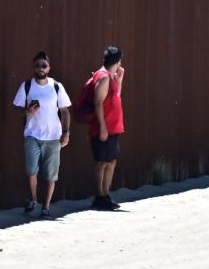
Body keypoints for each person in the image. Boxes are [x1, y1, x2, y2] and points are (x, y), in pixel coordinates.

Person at [11, 51, 71, 218]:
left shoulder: (56, 86)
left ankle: (46, 207)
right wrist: (27, 110)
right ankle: (33, 198)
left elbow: (65, 111)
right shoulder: (27, 86)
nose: (41, 68)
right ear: (33, 67)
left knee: (51, 174)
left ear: (49, 68)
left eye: (44, 65)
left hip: (53, 136)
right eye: (37, 65)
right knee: (31, 170)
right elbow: (16, 109)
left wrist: (66, 132)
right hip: (32, 134)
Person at [85, 46, 126, 211]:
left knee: (111, 161)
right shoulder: (103, 78)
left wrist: (119, 81)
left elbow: (114, 97)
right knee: (101, 162)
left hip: (113, 127)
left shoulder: (110, 77)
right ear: (117, 61)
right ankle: (100, 196)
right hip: (104, 128)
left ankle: (106, 195)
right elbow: (97, 102)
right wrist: (102, 127)